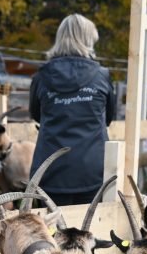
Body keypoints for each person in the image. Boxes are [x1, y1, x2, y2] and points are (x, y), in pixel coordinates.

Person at [28, 13, 117, 205]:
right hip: (92, 172)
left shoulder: (41, 77)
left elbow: (36, 115)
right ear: (88, 41)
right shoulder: (102, 76)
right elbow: (109, 116)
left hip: (49, 171)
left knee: (50, 233)